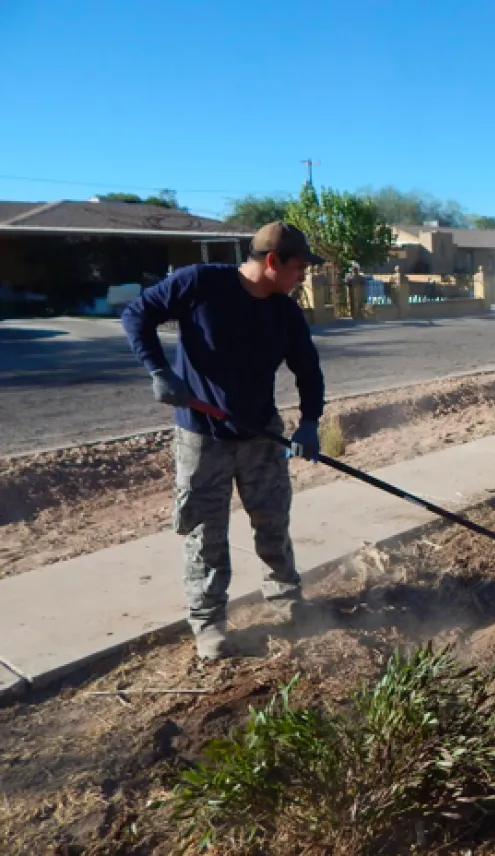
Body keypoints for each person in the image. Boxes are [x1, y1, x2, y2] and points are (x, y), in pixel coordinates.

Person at [121, 222, 327, 661]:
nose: (303, 276)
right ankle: (209, 624)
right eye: (299, 267)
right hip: (202, 434)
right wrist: (159, 371)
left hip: (260, 434)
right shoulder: (201, 283)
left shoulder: (285, 311)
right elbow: (137, 314)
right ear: (272, 261)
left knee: (273, 523)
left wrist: (309, 423)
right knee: (204, 534)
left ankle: (287, 600)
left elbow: (307, 368)